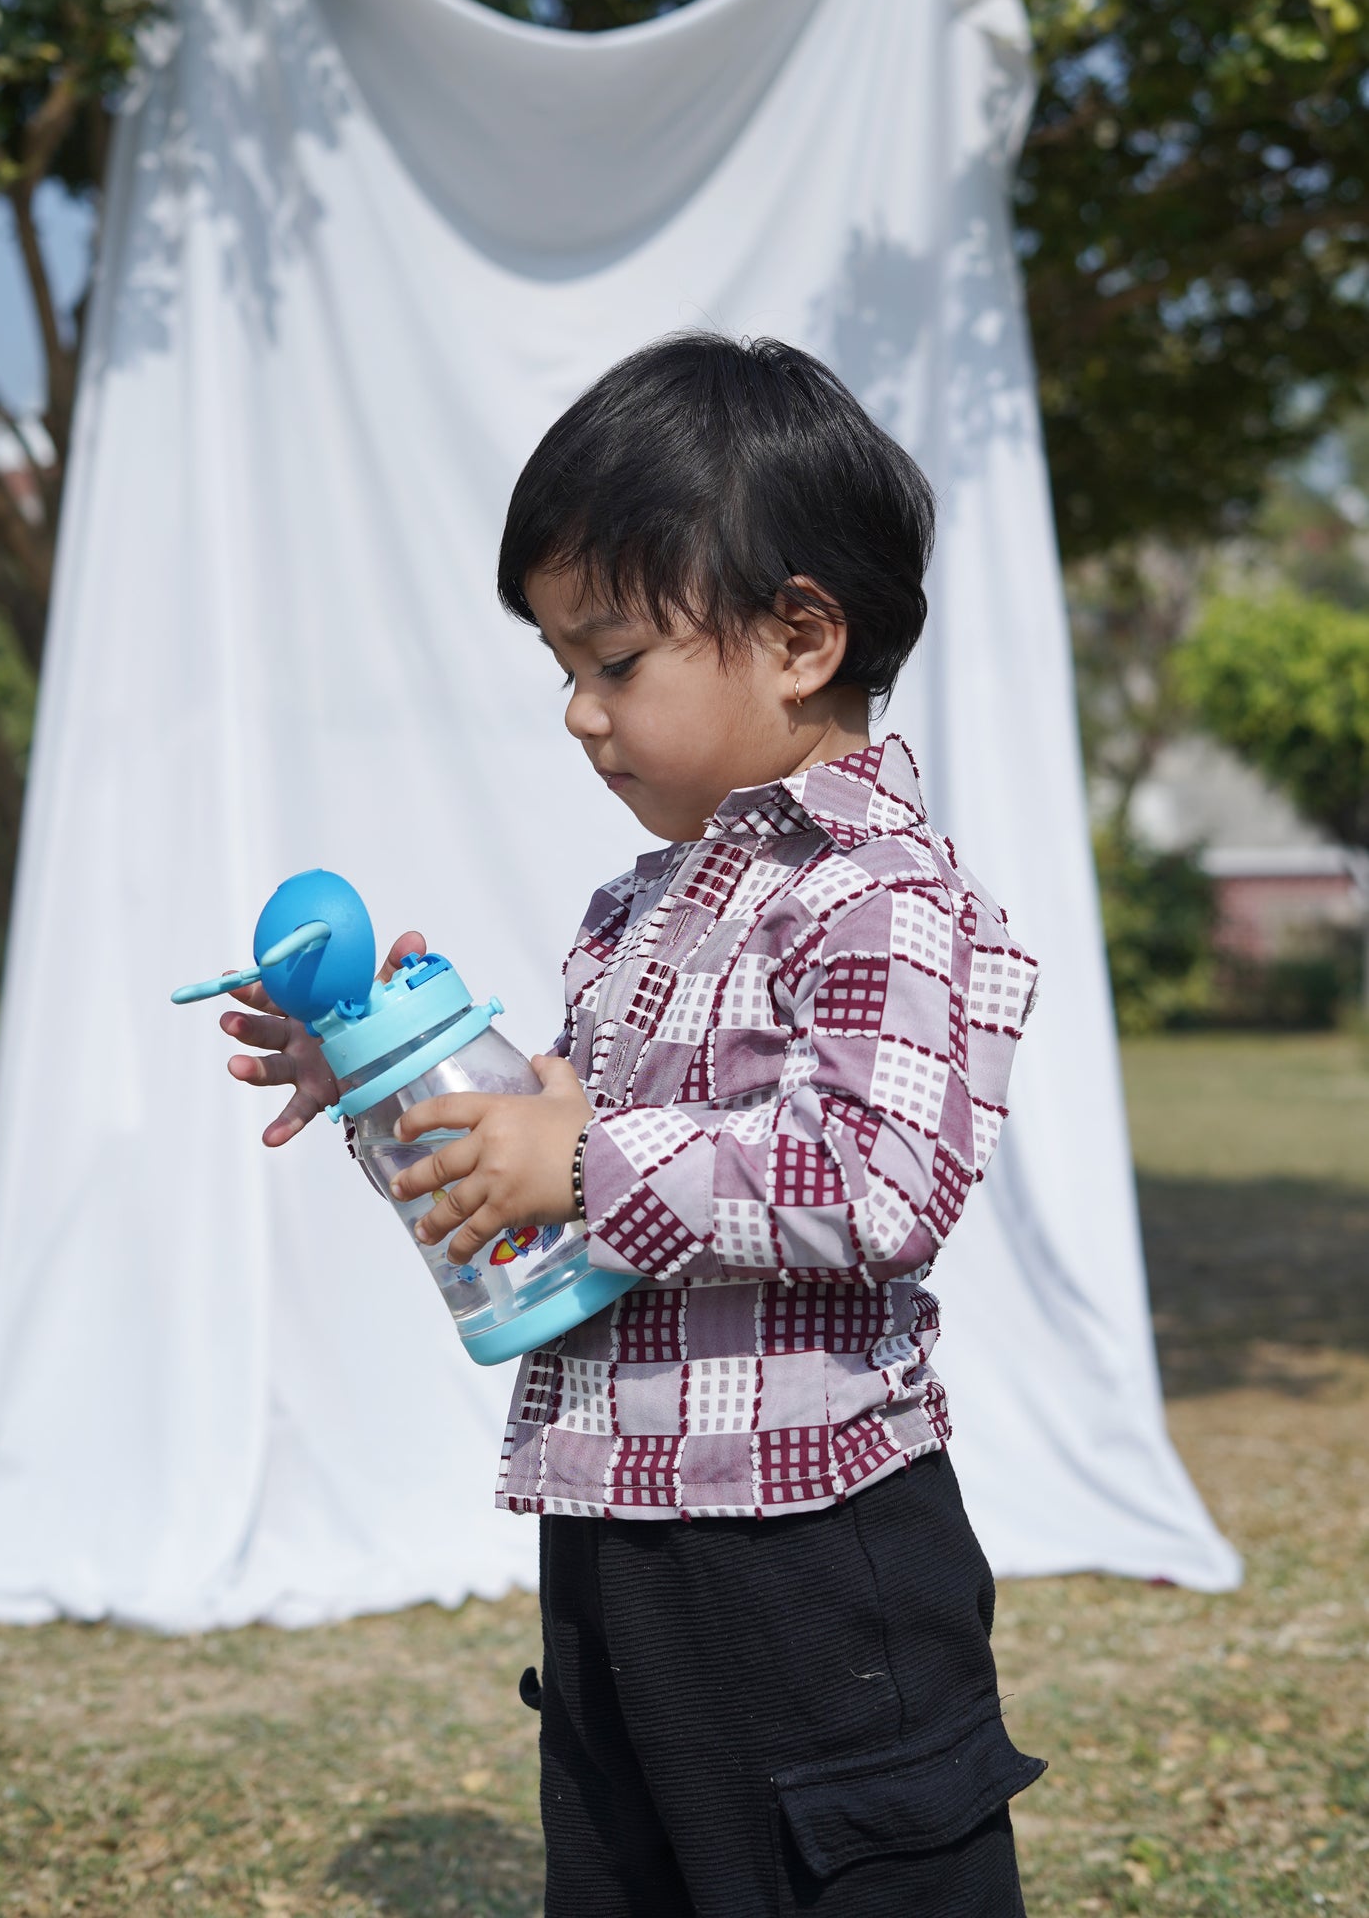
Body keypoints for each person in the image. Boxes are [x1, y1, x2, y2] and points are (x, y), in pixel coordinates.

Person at [221, 333, 1045, 1916]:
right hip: (616, 1511)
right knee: (631, 1863)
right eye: (561, 672)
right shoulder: (635, 908)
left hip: (809, 1545)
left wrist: (579, 1162)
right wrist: (401, 1078)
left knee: (842, 1872)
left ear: (800, 636)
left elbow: (882, 1180)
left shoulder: (887, 899)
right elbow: (578, 1136)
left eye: (614, 662)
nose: (579, 716)